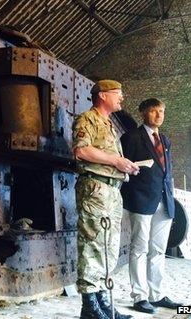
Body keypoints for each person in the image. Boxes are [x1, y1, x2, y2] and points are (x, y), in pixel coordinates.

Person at [72, 79, 140, 319]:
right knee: (93, 243)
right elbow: (81, 150)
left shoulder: (109, 124)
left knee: (108, 247)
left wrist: (126, 166)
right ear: (102, 95)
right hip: (96, 189)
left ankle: (102, 300)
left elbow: (109, 157)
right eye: (117, 93)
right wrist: (116, 161)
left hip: (111, 190)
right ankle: (89, 306)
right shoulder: (87, 119)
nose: (121, 98)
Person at [120, 98, 182, 314]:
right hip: (141, 201)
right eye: (154, 111)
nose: (159, 115)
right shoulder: (130, 138)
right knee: (139, 248)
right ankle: (139, 296)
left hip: (164, 201)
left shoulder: (164, 139)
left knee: (157, 250)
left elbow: (166, 173)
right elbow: (123, 171)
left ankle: (156, 294)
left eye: (162, 111)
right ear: (143, 113)